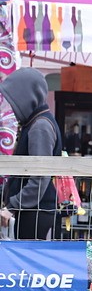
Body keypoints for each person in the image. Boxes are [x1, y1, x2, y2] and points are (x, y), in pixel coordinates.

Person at [0, 68, 64, 240]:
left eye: (14, 100)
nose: (12, 107)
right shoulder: (36, 122)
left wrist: (12, 206)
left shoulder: (40, 126)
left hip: (35, 214)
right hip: (33, 211)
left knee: (27, 266)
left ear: (25, 97)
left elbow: (39, 178)